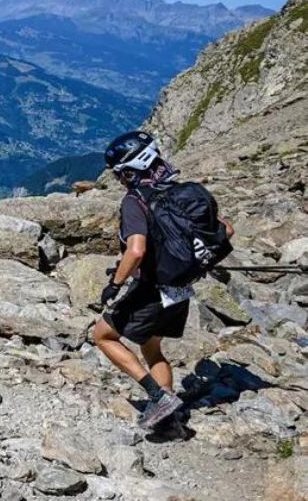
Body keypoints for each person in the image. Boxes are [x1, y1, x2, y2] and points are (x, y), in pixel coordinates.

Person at [93, 131, 234, 429]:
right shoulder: (182, 191)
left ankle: (158, 396)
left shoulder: (135, 201)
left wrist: (115, 284)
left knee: (103, 335)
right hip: (181, 288)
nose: (120, 180)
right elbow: (227, 230)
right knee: (151, 347)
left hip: (152, 288)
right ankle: (169, 420)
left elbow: (136, 250)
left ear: (129, 170)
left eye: (120, 173)